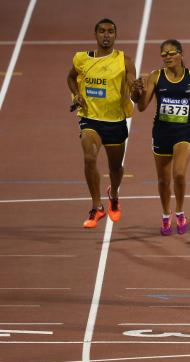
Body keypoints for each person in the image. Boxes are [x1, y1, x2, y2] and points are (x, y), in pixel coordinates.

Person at [131, 39, 190, 236]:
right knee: (163, 181)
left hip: (184, 132)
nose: (167, 57)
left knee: (179, 173)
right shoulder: (156, 77)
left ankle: (181, 213)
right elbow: (141, 107)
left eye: (171, 53)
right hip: (161, 133)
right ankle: (166, 215)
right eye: (163, 54)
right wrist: (137, 93)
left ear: (181, 53)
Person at [67, 18, 137, 228]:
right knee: (89, 158)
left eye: (110, 31)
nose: (106, 35)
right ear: (95, 34)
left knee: (115, 167)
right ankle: (97, 207)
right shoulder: (82, 59)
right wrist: (76, 94)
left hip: (115, 121)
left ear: (116, 35)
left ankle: (113, 194)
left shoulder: (125, 61)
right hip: (90, 119)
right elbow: (71, 78)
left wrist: (137, 89)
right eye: (102, 31)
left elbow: (134, 86)